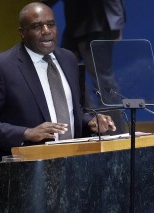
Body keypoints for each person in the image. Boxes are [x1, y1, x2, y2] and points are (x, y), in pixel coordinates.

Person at [0, 2, 116, 162]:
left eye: (51, 25)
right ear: (23, 33)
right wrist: (26, 133)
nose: (46, 31)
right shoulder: (1, 67)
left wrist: (90, 122)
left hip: (74, 164)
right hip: (25, 169)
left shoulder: (68, 59)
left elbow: (73, 111)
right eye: (37, 26)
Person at [43, 0, 127, 134]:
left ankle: (115, 132)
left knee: (103, 80)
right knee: (67, 72)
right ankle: (90, 121)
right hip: (76, 25)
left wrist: (116, 21)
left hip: (97, 23)